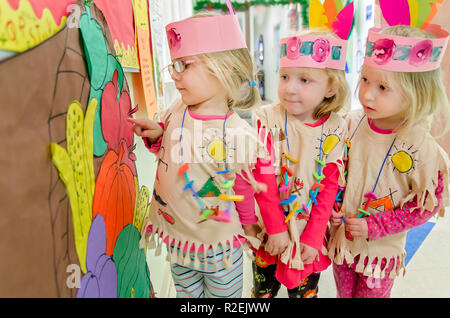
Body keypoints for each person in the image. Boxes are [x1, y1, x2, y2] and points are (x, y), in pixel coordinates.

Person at [128, 4, 289, 298]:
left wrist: (264, 228)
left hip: (219, 250)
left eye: (184, 65)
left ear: (223, 69)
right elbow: (173, 148)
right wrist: (157, 134)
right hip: (178, 242)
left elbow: (254, 185)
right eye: (173, 65)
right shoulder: (177, 109)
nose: (174, 76)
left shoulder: (239, 134)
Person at [328, 24, 450, 298]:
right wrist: (334, 204)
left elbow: (425, 207)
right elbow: (336, 171)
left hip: (379, 257)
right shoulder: (350, 124)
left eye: (383, 87)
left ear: (416, 93)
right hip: (343, 244)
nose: (367, 94)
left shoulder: (422, 148)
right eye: (365, 80)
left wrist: (376, 225)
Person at [251, 29, 350, 298]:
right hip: (270, 230)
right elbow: (263, 177)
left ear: (331, 87)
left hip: (309, 231)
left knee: (305, 294)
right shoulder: (266, 118)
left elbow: (329, 184)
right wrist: (275, 229)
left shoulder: (337, 127)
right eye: (284, 77)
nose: (290, 88)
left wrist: (314, 234)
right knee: (263, 293)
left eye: (304, 79)